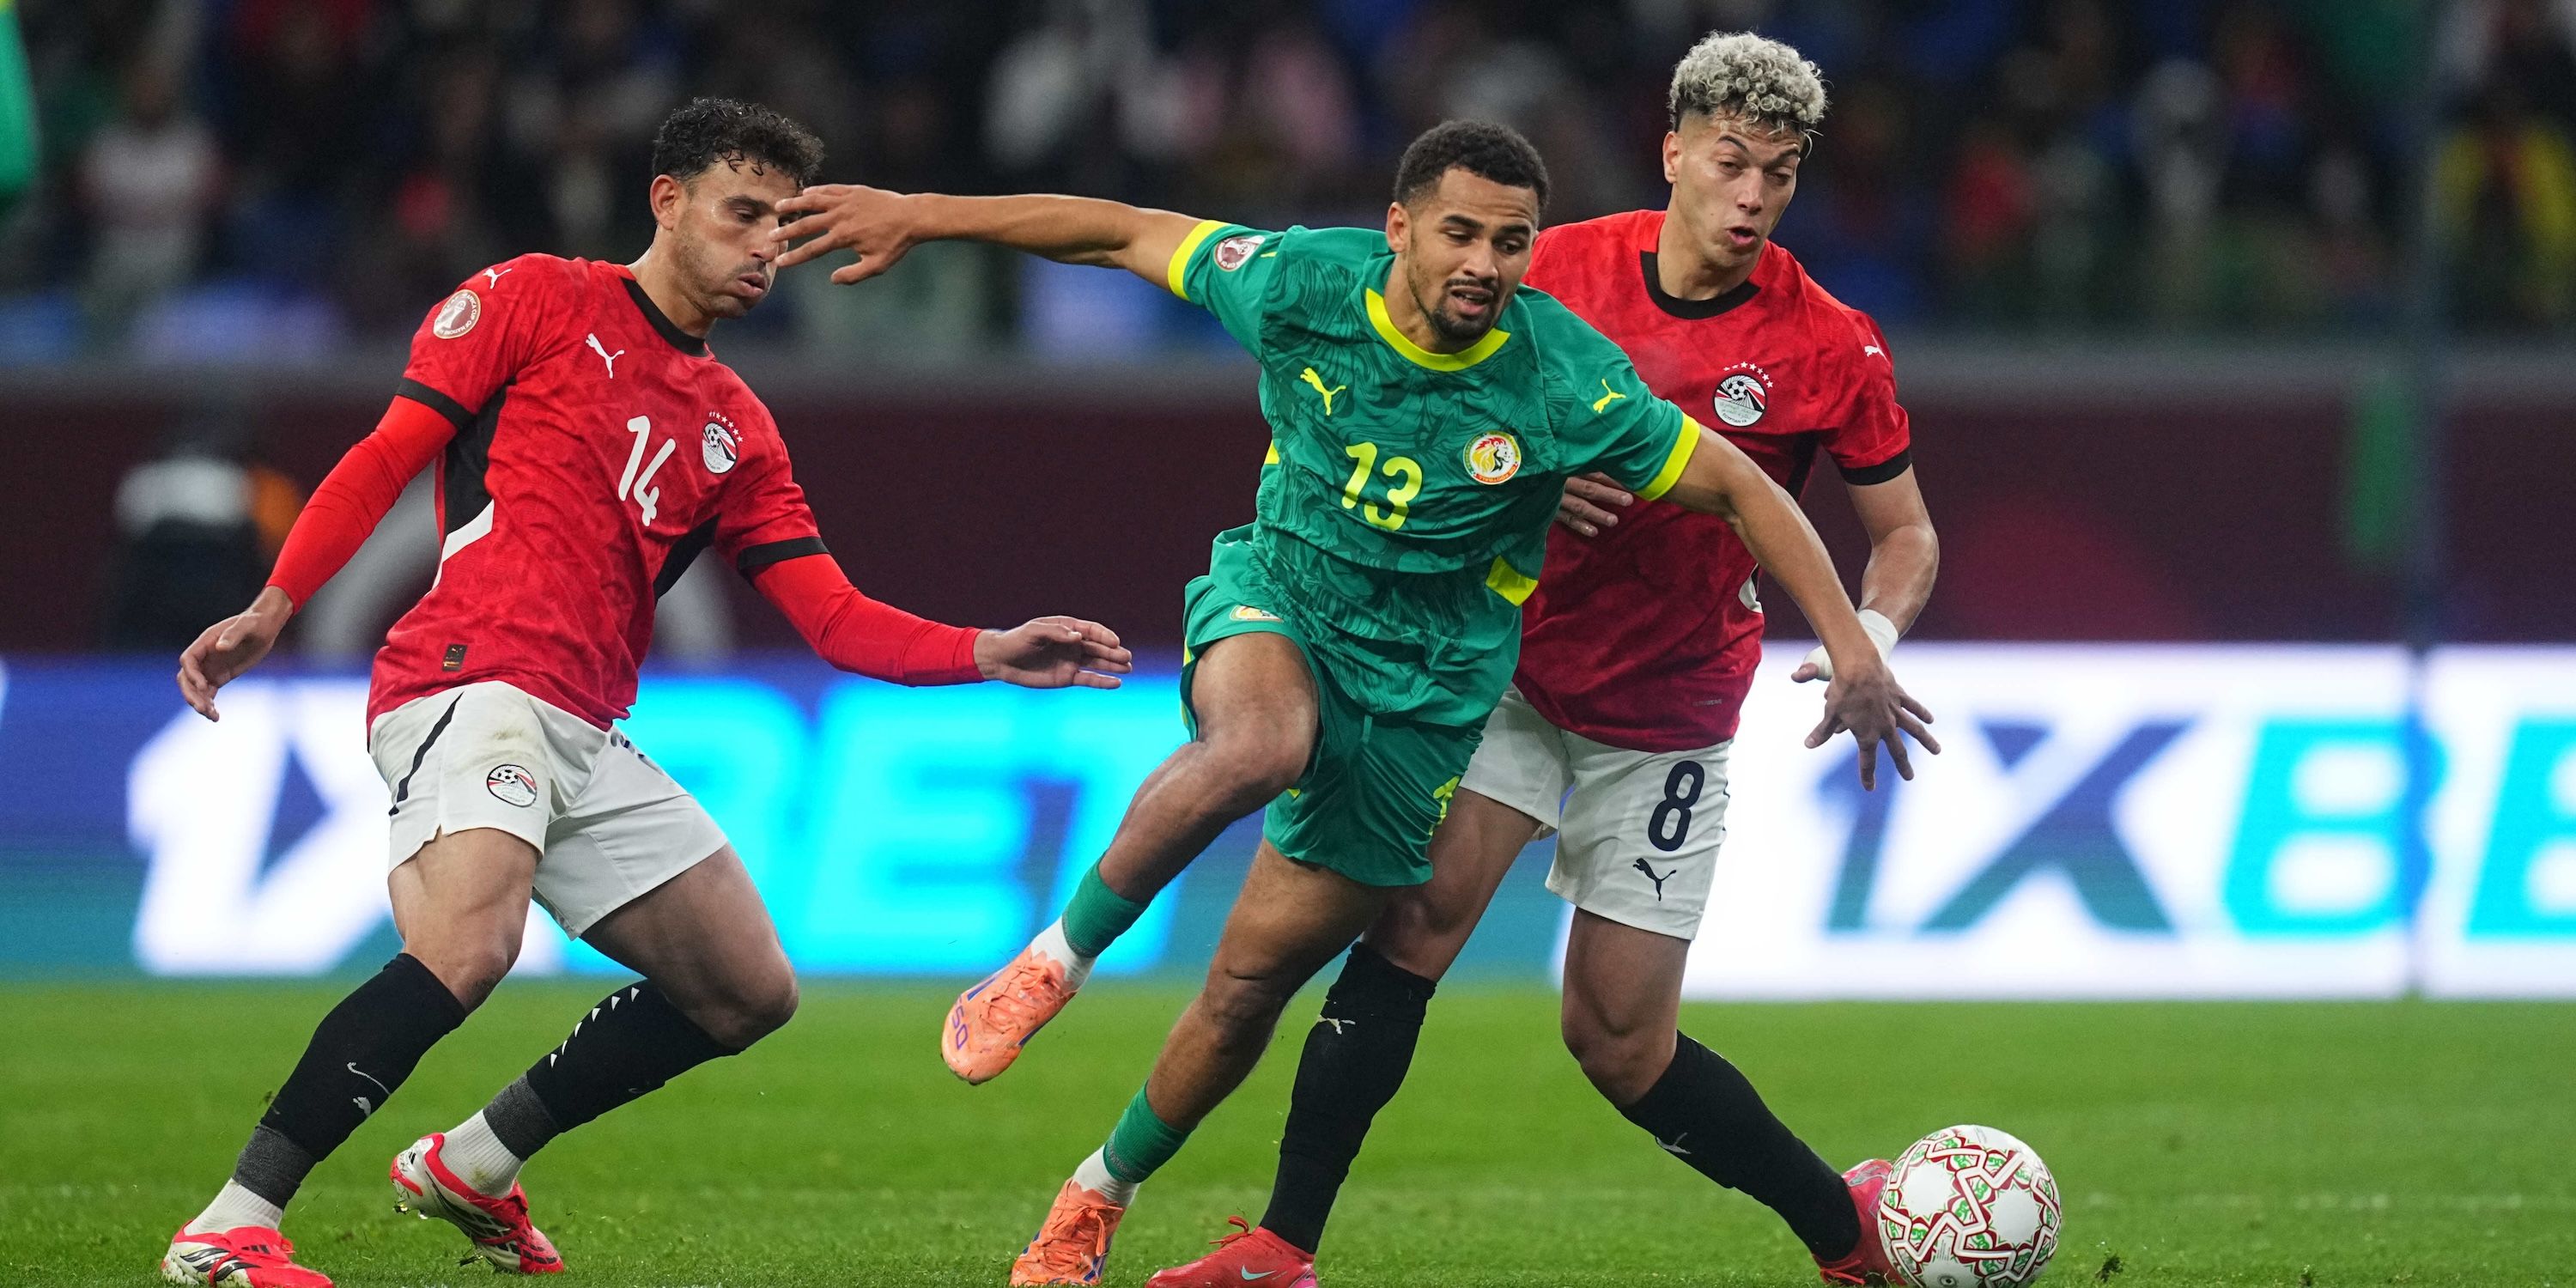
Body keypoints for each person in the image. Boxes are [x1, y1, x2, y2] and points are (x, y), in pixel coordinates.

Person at [775, 117, 1936, 1286]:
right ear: (1399, 229)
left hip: (1432, 696)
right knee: (1263, 745)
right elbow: (1122, 230)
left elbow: (1740, 487)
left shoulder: (1567, 375)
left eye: (1510, 242)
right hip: (1284, 601)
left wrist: (1855, 645)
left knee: (1248, 986)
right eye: (1460, 234)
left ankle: (1099, 1197)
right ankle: (1052, 963)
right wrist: (925, 211)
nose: (1484, 263)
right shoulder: (1305, 282)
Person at [158, 97, 1130, 1288]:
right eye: (743, 214)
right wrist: (275, 604)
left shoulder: (740, 431)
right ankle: (230, 1220)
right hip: (471, 675)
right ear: (667, 203)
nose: (768, 245)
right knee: (469, 945)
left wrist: (986, 650)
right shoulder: (531, 297)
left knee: (745, 989)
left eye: (783, 222)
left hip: (584, 723)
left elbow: (833, 619)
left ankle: (476, 1160)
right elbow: (385, 455)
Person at [1146, 33, 1934, 1288]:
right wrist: (1521, 478)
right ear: (1674, 152)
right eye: (1731, 164)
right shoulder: (1542, 269)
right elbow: (1422, 397)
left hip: (1671, 706)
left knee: (1618, 1040)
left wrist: (1868, 644)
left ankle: (1843, 1242)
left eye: (1779, 175)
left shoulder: (1829, 342)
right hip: (1507, 668)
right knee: (1410, 928)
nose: (1752, 197)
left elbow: (1904, 536)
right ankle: (1282, 1246)